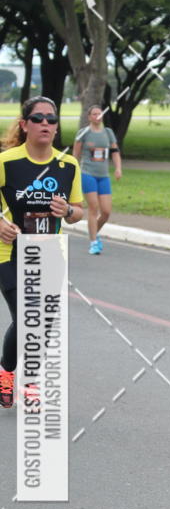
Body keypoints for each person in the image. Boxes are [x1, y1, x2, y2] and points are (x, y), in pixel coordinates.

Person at [0, 96, 83, 409]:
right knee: (26, 318)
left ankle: (30, 381)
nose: (45, 123)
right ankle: (9, 371)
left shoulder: (67, 165)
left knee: (42, 324)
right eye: (38, 118)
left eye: (51, 118)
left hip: (48, 253)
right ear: (24, 125)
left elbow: (78, 212)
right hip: (8, 252)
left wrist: (67, 211)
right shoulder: (7, 162)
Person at [73, 105, 122, 256]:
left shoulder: (108, 133)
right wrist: (73, 174)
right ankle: (94, 242)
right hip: (88, 174)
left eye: (99, 113)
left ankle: (94, 233)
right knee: (93, 208)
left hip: (104, 175)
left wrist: (118, 168)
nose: (97, 116)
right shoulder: (84, 133)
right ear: (89, 117)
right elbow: (76, 154)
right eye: (94, 114)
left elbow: (115, 152)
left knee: (106, 212)